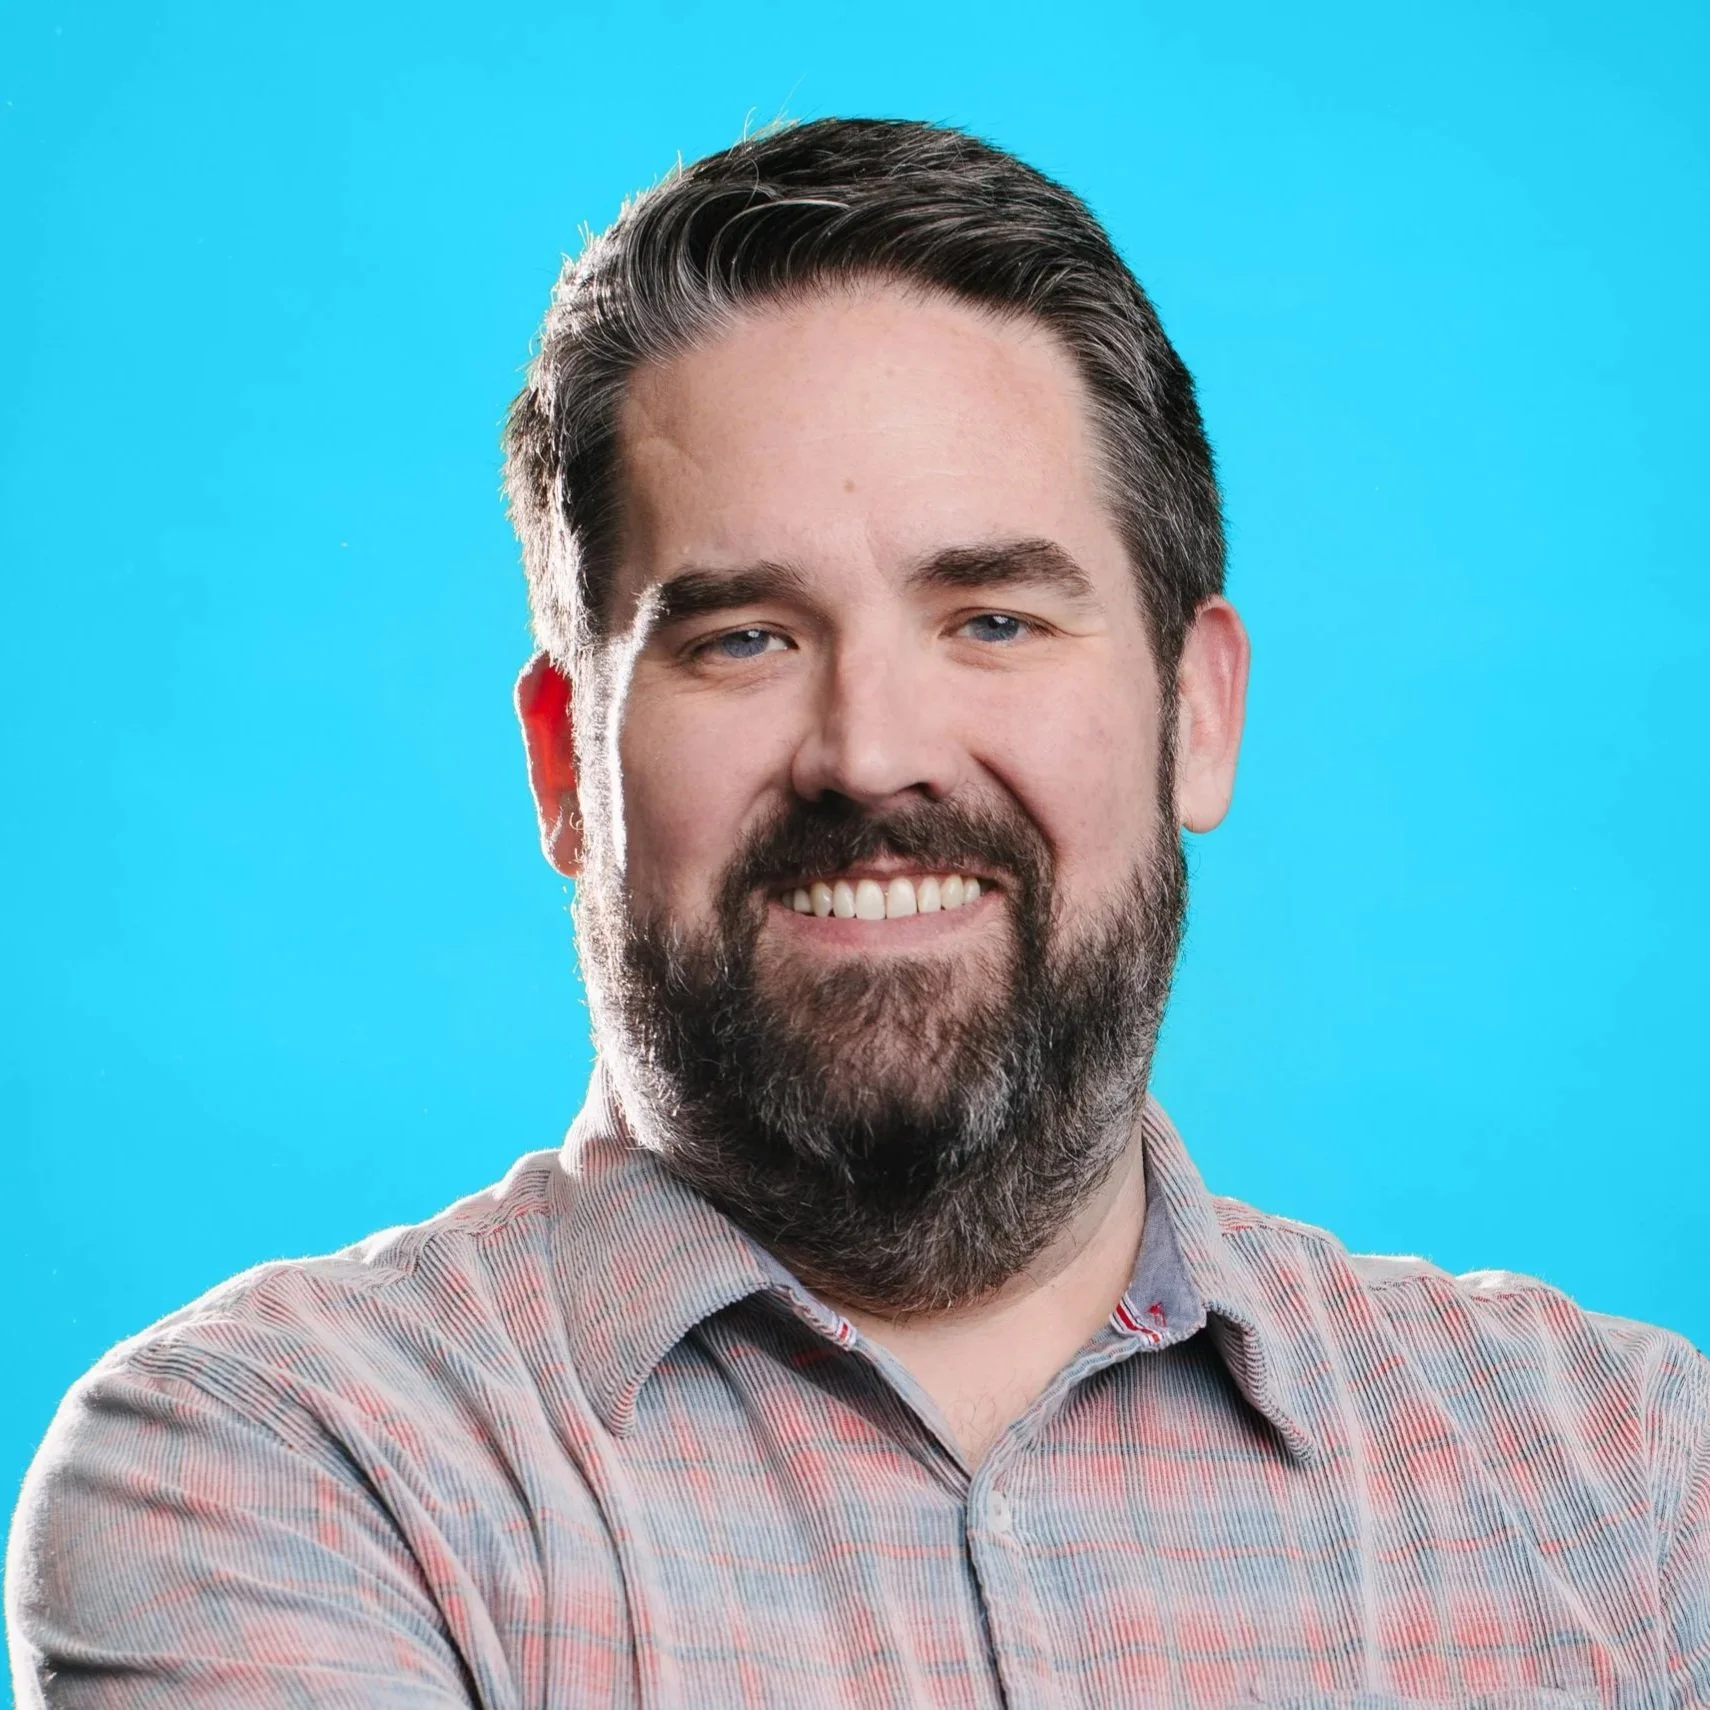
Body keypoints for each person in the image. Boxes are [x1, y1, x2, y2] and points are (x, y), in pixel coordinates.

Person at [7, 117, 1706, 1709]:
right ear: (562, 764)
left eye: (992, 618)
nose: (871, 753)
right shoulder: (275, 1470)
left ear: (1198, 713)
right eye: (742, 636)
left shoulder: (1624, 1484)